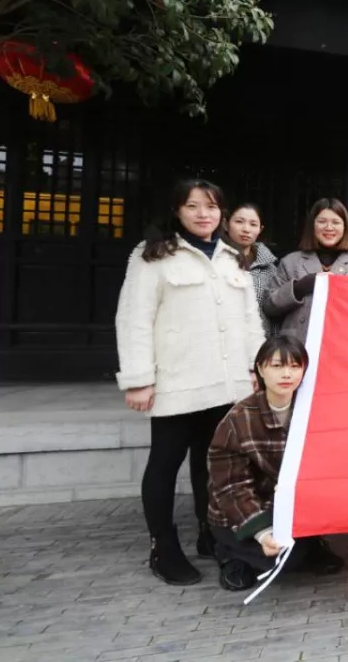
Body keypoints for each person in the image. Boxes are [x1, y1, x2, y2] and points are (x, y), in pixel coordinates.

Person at [115, 178, 265, 586]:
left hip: (226, 384)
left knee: (211, 464)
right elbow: (134, 319)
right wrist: (139, 379)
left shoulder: (232, 257)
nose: (204, 214)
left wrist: (255, 368)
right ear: (177, 210)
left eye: (211, 207)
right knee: (164, 464)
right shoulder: (153, 255)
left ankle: (208, 532)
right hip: (176, 383)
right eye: (193, 206)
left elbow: (250, 320)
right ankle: (163, 547)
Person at [207, 335, 344, 591]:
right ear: (260, 368)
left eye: (295, 366)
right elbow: (231, 487)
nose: (287, 374)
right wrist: (261, 531)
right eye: (277, 366)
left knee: (293, 554)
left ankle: (309, 545)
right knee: (284, 557)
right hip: (239, 511)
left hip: (289, 508)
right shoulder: (238, 419)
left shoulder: (314, 410)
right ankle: (228, 554)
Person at [264, 199, 348, 341]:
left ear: (345, 227)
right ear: (312, 225)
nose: (329, 227)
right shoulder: (291, 262)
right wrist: (300, 287)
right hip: (296, 345)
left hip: (339, 344)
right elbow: (269, 307)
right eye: (322, 221)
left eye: (336, 222)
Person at [225, 203, 279, 334]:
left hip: (260, 341)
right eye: (239, 222)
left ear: (260, 229)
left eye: (253, 224)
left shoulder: (270, 269)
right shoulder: (216, 262)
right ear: (225, 224)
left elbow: (274, 313)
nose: (246, 229)